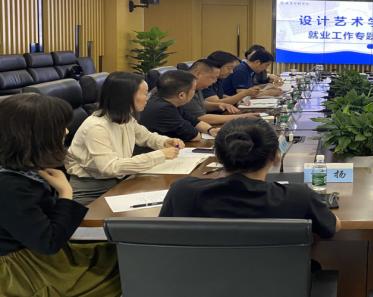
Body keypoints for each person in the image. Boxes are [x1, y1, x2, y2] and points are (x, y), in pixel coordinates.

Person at [0, 94, 121, 297]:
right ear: (37, 135)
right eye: (60, 127)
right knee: (126, 268)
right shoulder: (9, 187)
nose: (66, 131)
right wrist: (66, 193)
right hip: (24, 269)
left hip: (41, 254)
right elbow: (48, 242)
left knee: (125, 252)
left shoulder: (28, 167)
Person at [160, 117, 340, 239]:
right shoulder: (298, 197)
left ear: (218, 157)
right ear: (276, 156)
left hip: (197, 281)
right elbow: (332, 227)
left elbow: (163, 237)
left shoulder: (182, 191)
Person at [65, 72, 184, 204]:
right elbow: (110, 167)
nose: (148, 98)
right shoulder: (96, 127)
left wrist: (165, 142)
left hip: (118, 181)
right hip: (91, 191)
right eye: (145, 93)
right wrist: (159, 155)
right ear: (126, 97)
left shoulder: (125, 117)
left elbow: (147, 137)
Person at [140, 70, 218, 141]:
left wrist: (210, 129)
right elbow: (194, 136)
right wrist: (199, 133)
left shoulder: (167, 101)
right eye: (194, 89)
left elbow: (194, 121)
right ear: (181, 95)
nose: (195, 93)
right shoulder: (164, 109)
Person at [181, 59, 260, 126]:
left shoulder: (195, 85)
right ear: (198, 73)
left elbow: (199, 104)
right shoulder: (184, 86)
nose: (215, 81)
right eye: (213, 77)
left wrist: (218, 105)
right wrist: (242, 117)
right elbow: (201, 118)